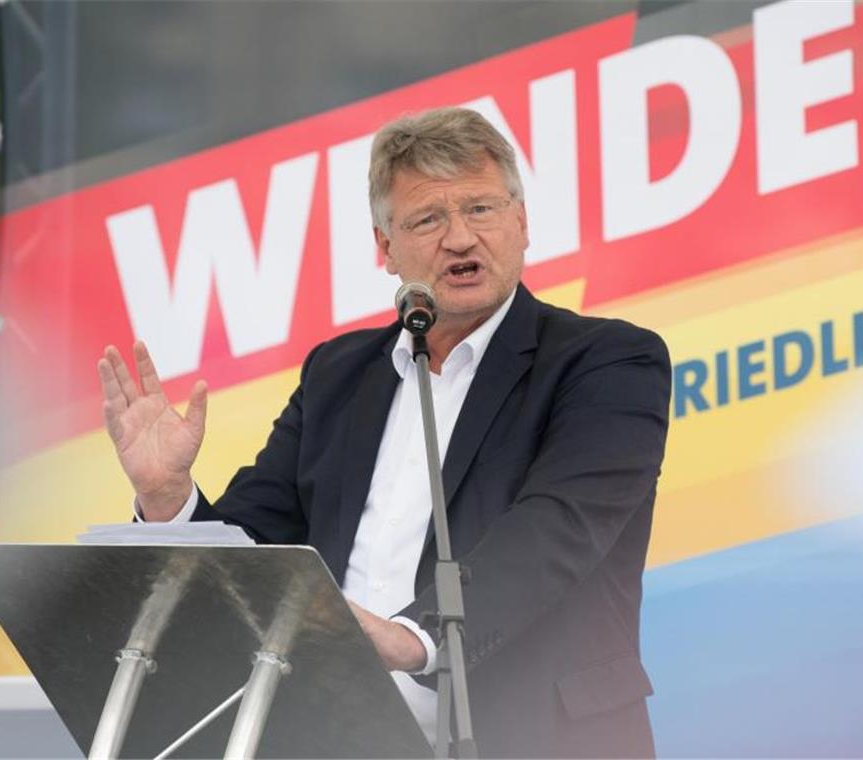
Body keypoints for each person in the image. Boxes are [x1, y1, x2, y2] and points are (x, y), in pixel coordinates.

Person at [97, 107, 670, 758]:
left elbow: (557, 530)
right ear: (385, 247)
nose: (459, 238)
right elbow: (258, 549)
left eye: (481, 209)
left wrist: (413, 636)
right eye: (428, 219)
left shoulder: (608, 362)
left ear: (521, 223)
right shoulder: (338, 376)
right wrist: (169, 496)